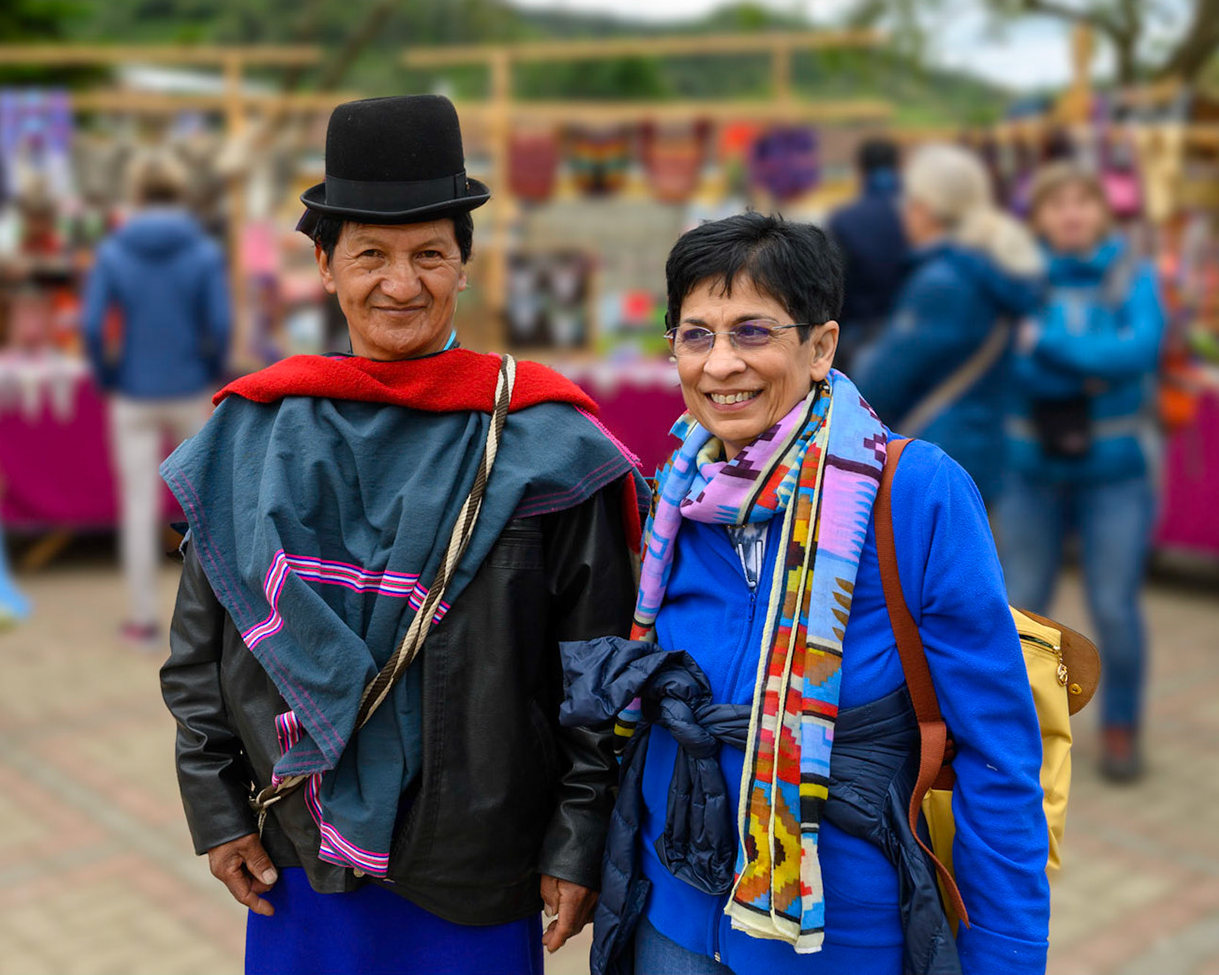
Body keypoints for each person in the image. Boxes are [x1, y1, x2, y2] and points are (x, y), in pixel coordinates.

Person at [159, 95, 649, 975]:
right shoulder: (250, 435)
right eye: (371, 255)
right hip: (298, 853)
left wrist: (577, 837)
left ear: (465, 264)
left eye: (429, 253)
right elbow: (200, 649)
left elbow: (598, 669)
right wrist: (217, 804)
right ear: (324, 265)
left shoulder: (545, 444)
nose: (401, 283)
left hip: (479, 864)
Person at [559, 211, 1050, 975]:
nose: (721, 363)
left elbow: (998, 750)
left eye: (753, 331)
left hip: (841, 938)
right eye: (696, 334)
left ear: (821, 346)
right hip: (672, 917)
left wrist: (1006, 955)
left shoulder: (914, 492)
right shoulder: (678, 496)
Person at [997, 162, 1165, 783]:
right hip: (1029, 469)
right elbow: (1011, 371)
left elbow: (1140, 351)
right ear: (1037, 217)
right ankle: (1012, 732)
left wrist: (1045, 345)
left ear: (1103, 212)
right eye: (1056, 203)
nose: (1070, 214)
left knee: (1114, 606)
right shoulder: (1016, 279)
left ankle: (1121, 724)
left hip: (1117, 470)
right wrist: (1093, 373)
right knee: (1022, 606)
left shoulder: (1133, 275)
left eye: (1083, 201)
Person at [81, 150, 231, 647]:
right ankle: (214, 622)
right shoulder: (203, 252)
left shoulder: (114, 251)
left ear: (137, 194)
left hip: (134, 390)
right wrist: (207, 369)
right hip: (189, 385)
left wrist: (108, 374)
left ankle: (143, 620)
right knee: (207, 505)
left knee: (137, 507)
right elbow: (220, 325)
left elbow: (92, 325)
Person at [857, 143, 1044, 505]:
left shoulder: (941, 282)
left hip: (933, 457)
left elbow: (878, 383)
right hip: (984, 450)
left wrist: (863, 354)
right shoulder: (995, 266)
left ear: (925, 209)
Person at [825, 137, 908, 378]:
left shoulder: (846, 219)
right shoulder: (921, 216)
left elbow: (835, 283)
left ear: (860, 170)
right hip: (913, 332)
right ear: (899, 166)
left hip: (860, 338)